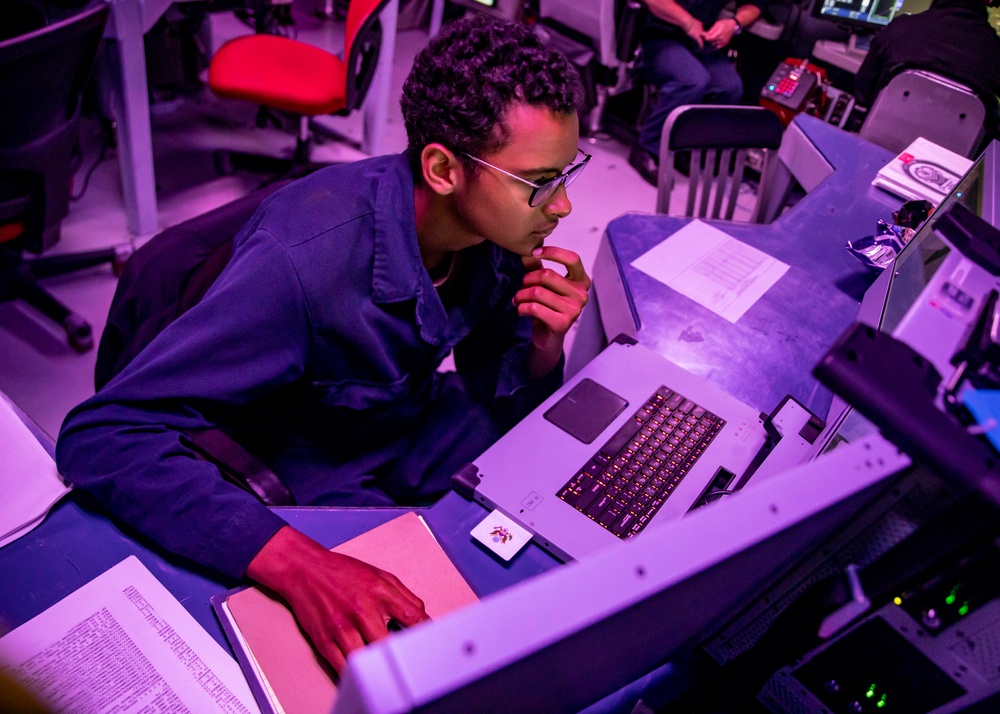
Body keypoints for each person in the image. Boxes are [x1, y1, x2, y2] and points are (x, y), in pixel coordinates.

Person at [57, 15, 589, 673]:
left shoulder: (495, 236)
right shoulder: (299, 262)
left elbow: (490, 378)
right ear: (444, 169)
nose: (562, 207)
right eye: (540, 183)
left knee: (556, 505)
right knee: (415, 642)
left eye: (567, 174)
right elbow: (103, 434)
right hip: (302, 457)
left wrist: (541, 346)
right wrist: (297, 564)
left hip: (401, 418)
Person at [628, 0, 764, 185]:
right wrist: (688, 21)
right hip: (656, 33)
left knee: (729, 87)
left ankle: (681, 147)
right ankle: (647, 147)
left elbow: (755, 4)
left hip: (699, 38)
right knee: (692, 81)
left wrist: (734, 23)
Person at [854, 0, 1000, 110]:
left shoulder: (899, 29)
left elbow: (862, 96)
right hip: (955, 150)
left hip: (878, 142)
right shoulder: (995, 53)